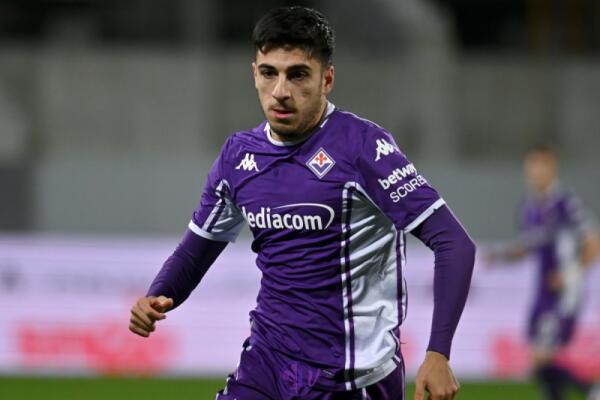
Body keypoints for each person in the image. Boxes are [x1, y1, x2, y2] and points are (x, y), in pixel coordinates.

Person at [129, 6, 476, 400]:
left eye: (297, 75)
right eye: (269, 73)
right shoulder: (238, 156)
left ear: (326, 79)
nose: (280, 91)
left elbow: (454, 243)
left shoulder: (363, 147)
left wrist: (438, 353)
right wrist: (157, 294)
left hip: (351, 379)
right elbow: (196, 250)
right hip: (267, 364)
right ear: (254, 74)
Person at [487, 146, 600, 400]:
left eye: (541, 166)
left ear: (552, 169)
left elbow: (593, 242)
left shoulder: (565, 203)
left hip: (564, 294)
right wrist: (499, 257)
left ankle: (591, 389)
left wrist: (569, 274)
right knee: (538, 363)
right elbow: (527, 248)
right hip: (542, 293)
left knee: (541, 357)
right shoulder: (529, 208)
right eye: (532, 167)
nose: (535, 172)